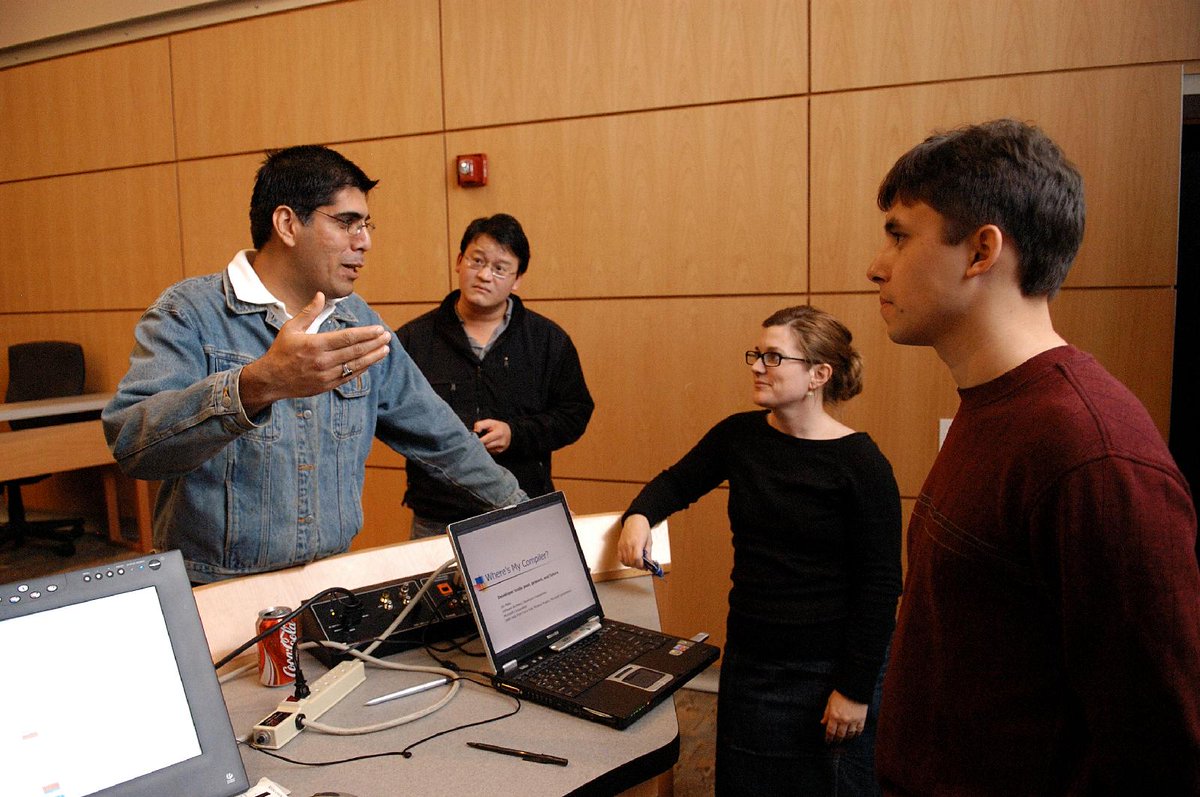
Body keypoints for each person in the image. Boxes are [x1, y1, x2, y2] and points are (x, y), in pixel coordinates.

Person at [866, 119, 1200, 794]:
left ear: (982, 249)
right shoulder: (995, 405)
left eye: (900, 234)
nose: (877, 264)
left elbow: (1159, 750)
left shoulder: (1092, 451)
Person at [102, 145, 526, 584]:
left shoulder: (357, 320)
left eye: (366, 225)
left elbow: (441, 436)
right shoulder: (189, 313)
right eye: (346, 223)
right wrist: (256, 385)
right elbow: (133, 441)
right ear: (287, 224)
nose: (365, 241)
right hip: (215, 586)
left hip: (328, 585)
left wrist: (522, 507)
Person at [617, 305, 902, 796]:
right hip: (752, 659)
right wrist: (639, 517)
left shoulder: (862, 463)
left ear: (818, 374)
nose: (756, 366)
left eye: (773, 357)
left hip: (830, 668)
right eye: (756, 354)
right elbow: (677, 482)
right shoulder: (739, 436)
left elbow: (880, 587)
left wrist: (854, 690)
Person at [396, 213, 593, 537]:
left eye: (500, 268)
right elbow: (393, 417)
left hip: (523, 507)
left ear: (517, 279)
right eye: (477, 260)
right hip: (438, 515)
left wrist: (516, 434)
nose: (485, 275)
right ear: (459, 261)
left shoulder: (546, 340)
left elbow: (575, 413)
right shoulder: (414, 339)